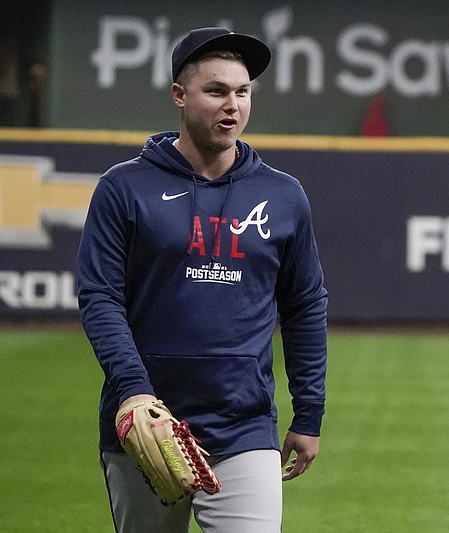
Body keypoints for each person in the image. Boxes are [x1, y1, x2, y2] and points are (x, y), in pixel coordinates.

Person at [77, 27, 328, 532]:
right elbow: (99, 296)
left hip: (244, 423)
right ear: (179, 95)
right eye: (216, 91)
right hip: (144, 421)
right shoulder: (124, 188)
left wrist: (309, 411)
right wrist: (132, 391)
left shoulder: (283, 195)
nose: (231, 105)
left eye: (242, 92)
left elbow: (304, 305)